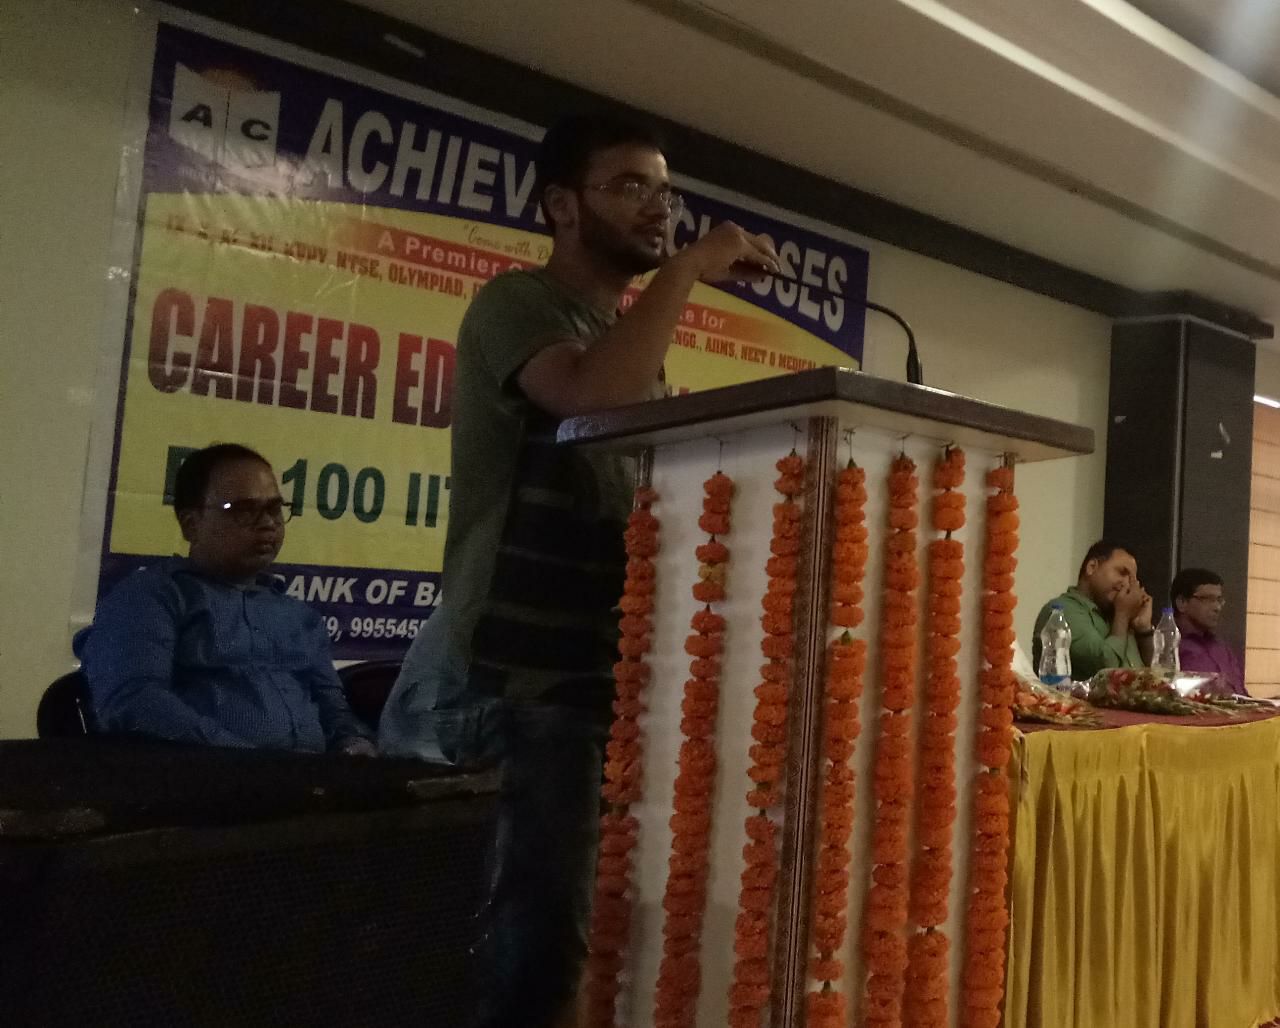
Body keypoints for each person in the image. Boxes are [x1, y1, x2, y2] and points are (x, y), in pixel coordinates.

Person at [378, 113, 780, 1028]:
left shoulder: (623, 339)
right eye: (632, 185)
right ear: (561, 205)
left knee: (573, 950)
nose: (659, 208)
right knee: (528, 959)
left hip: (593, 676)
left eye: (665, 190)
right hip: (517, 680)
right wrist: (687, 270)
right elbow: (590, 399)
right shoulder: (518, 304)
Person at [77, 443, 376, 755]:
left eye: (274, 509)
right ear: (191, 525)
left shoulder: (298, 616)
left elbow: (332, 708)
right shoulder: (150, 598)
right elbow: (134, 701)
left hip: (312, 779)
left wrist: (353, 741)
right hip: (201, 778)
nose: (268, 523)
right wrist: (245, 760)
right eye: (244, 511)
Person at [1032, 540, 1154, 681]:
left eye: (1132, 580)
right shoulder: (1061, 611)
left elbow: (1157, 677)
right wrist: (1123, 615)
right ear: (1092, 567)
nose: (1127, 584)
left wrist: (1143, 630)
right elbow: (1105, 673)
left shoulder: (1117, 616)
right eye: (1122, 573)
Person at [1171, 567, 1247, 695]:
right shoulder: (1170, 645)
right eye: (1208, 599)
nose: (1217, 607)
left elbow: (1243, 697)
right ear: (1182, 602)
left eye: (1219, 600)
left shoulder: (1222, 648)